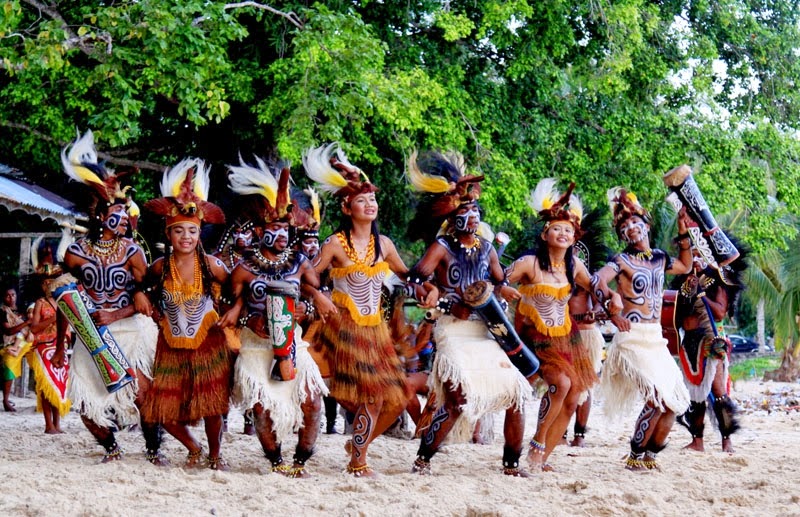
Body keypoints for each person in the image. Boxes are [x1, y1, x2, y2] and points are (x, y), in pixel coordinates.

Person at [304, 143, 435, 477]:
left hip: (375, 332)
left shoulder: (385, 245)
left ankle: (357, 447)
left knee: (394, 397)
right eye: (362, 200)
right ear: (347, 208)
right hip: (342, 329)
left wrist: (426, 287)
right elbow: (306, 277)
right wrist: (317, 296)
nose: (370, 204)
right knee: (372, 396)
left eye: (373, 199)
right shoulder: (335, 243)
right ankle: (358, 462)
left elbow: (409, 277)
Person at [404, 150, 531, 477]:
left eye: (475, 210)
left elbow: (498, 281)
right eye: (464, 210)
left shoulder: (487, 249)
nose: (472, 216)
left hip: (485, 330)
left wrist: (505, 292)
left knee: (516, 393)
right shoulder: (442, 247)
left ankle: (512, 465)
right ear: (452, 216)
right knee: (458, 399)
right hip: (453, 330)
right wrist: (438, 298)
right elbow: (416, 280)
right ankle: (423, 459)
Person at [53, 130, 162, 464]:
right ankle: (111, 448)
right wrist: (60, 344)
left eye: (122, 213)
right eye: (113, 213)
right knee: (86, 402)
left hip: (128, 326)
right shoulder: (74, 253)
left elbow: (148, 293)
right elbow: (64, 299)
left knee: (143, 394)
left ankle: (153, 450)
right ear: (99, 215)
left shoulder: (132, 251)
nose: (119, 219)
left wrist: (120, 312)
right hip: (89, 331)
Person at [220, 157, 327, 477]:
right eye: (273, 229)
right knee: (261, 407)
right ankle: (276, 461)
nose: (280, 235)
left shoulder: (300, 264)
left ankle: (301, 460)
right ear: (259, 230)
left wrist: (308, 306)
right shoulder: (243, 268)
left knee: (312, 402)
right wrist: (242, 317)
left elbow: (310, 295)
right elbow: (229, 299)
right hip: (255, 344)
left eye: (284, 229)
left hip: (291, 341)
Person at [503, 179, 606, 472]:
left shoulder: (575, 267)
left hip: (567, 336)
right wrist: (504, 290)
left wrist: (610, 301)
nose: (563, 233)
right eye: (557, 228)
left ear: (575, 238)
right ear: (545, 233)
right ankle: (536, 445)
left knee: (574, 397)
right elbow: (496, 280)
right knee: (560, 384)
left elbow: (596, 286)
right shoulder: (529, 263)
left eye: (568, 230)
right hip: (535, 338)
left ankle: (542, 457)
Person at [592, 188, 692, 471]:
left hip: (655, 339)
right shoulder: (620, 261)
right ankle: (635, 454)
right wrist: (612, 307)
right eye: (624, 227)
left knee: (673, 402)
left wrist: (683, 230)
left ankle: (650, 455)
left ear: (646, 225)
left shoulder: (659, 258)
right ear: (622, 236)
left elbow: (685, 265)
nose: (631, 229)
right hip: (632, 338)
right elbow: (596, 281)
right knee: (657, 398)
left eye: (635, 223)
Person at [141, 158, 232, 470]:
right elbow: (138, 289)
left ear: (199, 234)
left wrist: (230, 314)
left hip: (207, 341)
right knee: (162, 409)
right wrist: (150, 309)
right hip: (171, 343)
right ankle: (193, 448)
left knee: (212, 407)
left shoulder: (214, 266)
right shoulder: (158, 267)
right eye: (178, 231)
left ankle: (215, 456)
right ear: (169, 234)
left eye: (191, 231)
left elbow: (238, 291)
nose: (185, 237)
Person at [674, 243, 748, 453]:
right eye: (692, 252)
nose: (695, 256)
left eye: (699, 252)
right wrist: (689, 288)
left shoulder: (717, 276)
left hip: (710, 340)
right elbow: (676, 311)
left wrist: (701, 294)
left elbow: (719, 313)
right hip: (689, 341)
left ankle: (727, 441)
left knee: (718, 392)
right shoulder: (683, 279)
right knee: (695, 394)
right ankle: (697, 442)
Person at [28, 248, 72, 434]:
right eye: (46, 282)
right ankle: (48, 425)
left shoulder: (63, 302)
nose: (48, 285)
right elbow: (34, 328)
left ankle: (57, 424)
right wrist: (54, 319)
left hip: (59, 347)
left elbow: (69, 327)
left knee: (59, 384)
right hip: (43, 347)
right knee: (46, 385)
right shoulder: (40, 303)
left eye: (51, 282)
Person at [1, 284, 31, 412]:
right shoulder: (2, 311)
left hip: (27, 342)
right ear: (3, 297)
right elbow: (8, 331)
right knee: (9, 362)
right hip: (7, 344)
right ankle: (6, 400)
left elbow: (33, 325)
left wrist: (29, 327)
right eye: (7, 296)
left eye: (13, 295)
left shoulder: (24, 310)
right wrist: (26, 323)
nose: (11, 298)